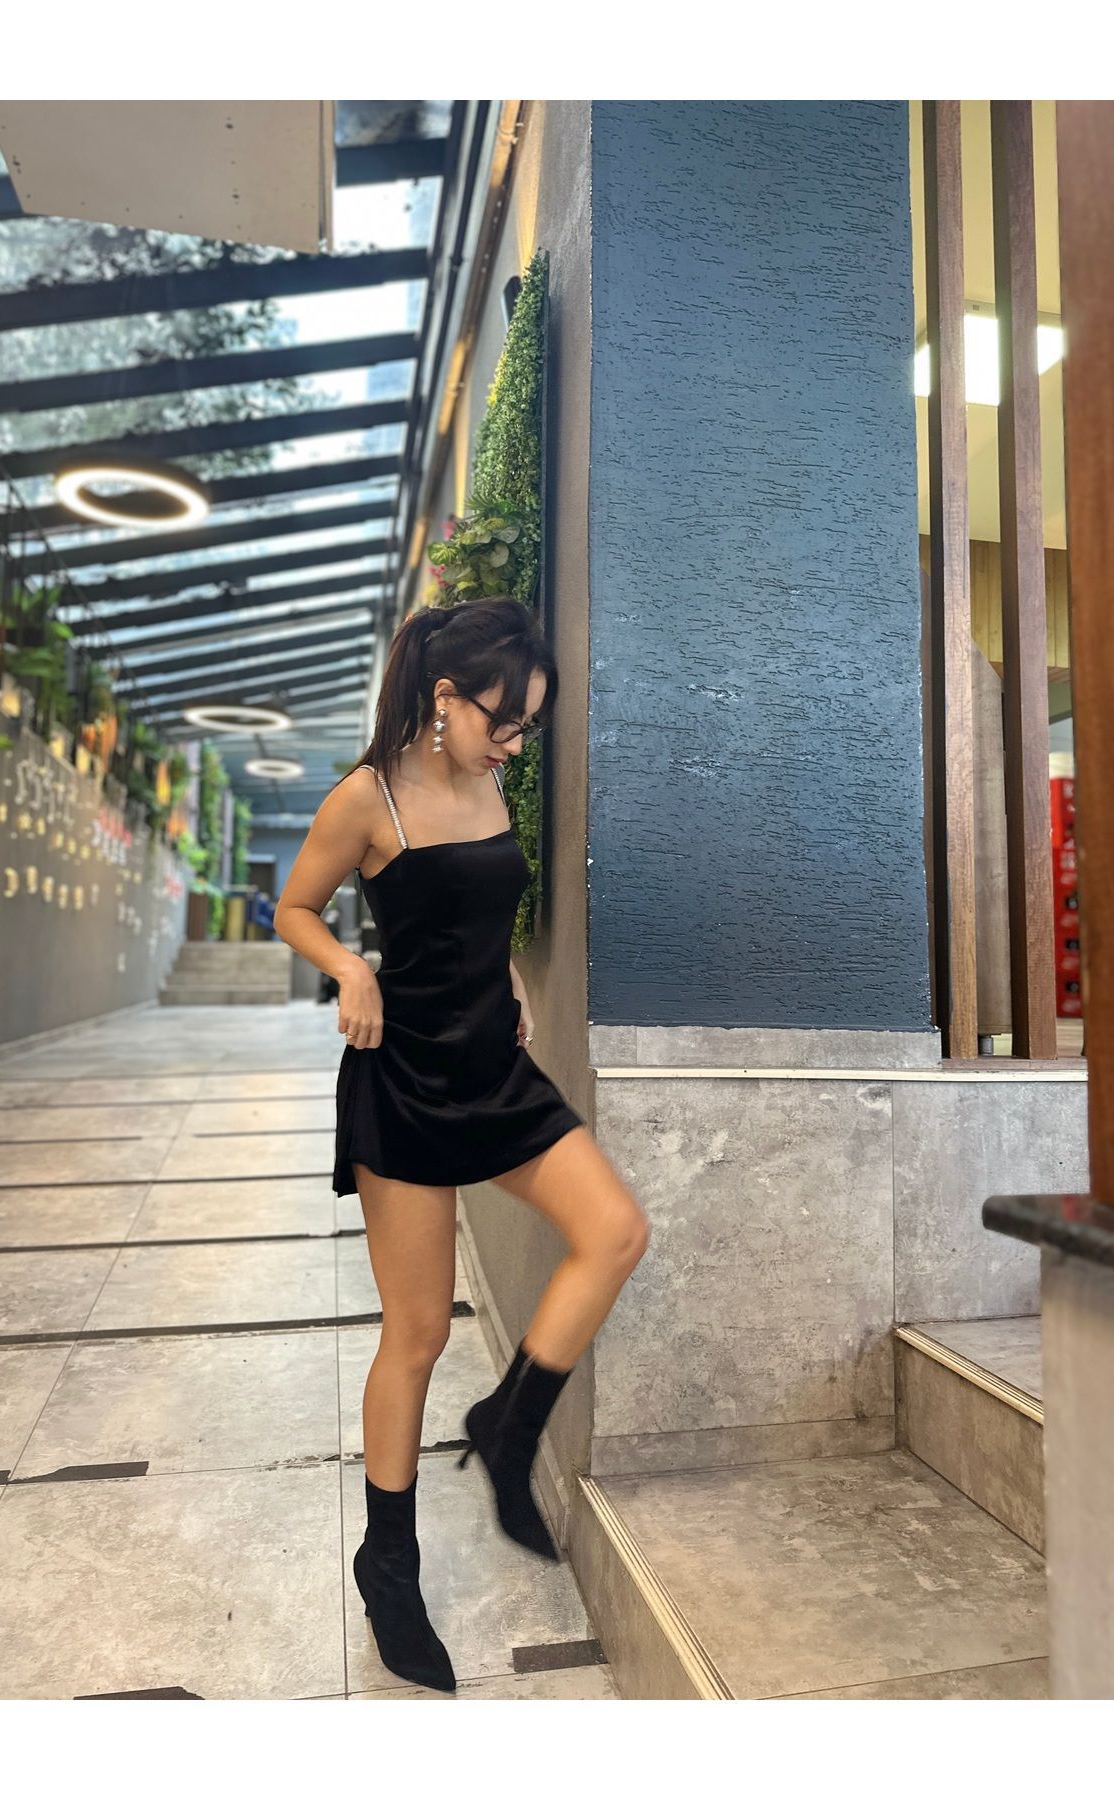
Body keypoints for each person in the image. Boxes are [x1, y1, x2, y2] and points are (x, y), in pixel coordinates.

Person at [274, 596, 650, 1693]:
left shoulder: (486, 778)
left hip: (494, 1064)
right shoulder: (368, 798)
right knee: (420, 1332)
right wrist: (349, 968)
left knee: (615, 1232)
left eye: (527, 726)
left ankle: (508, 1424)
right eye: (504, 721)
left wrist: (514, 976)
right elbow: (294, 909)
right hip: (402, 1077)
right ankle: (387, 1566)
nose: (514, 744)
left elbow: (481, 907)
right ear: (445, 698)